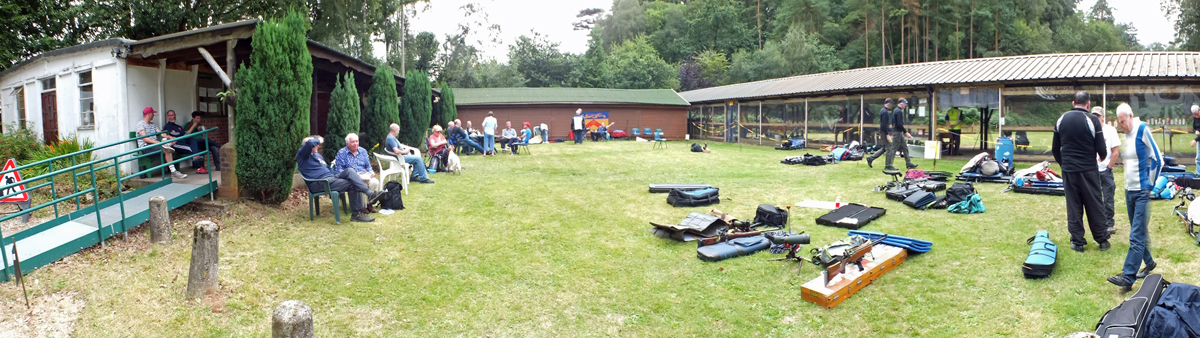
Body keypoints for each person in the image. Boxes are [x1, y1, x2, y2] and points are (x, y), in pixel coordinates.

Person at [1108, 102, 1162, 292]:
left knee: (1136, 235)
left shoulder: (1142, 130)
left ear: (1130, 116)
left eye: (1124, 121)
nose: (1123, 126)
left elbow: (1158, 159)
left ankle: (1128, 277)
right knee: (1138, 230)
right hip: (1128, 191)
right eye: (1120, 123)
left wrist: (1151, 185)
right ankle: (1149, 263)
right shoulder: (1127, 134)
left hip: (1142, 193)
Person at [1052, 91, 1110, 252]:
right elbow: (1101, 149)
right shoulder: (1092, 120)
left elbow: (1055, 149)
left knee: (1073, 205)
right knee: (1094, 204)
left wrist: (1064, 163)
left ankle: (1077, 242)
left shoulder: (1061, 119)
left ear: (1073, 103)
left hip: (1069, 170)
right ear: (1088, 104)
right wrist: (1102, 157)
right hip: (1088, 169)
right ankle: (1102, 240)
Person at [296, 135, 378, 223]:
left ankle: (368, 196)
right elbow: (310, 143)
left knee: (350, 171)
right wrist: (319, 139)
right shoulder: (302, 156)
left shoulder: (317, 156)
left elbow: (328, 169)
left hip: (330, 178)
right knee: (352, 184)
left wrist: (339, 174)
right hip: (320, 183)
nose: (317, 146)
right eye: (316, 145)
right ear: (307, 147)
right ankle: (357, 214)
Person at [134, 106, 187, 179]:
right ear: (148, 114)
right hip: (146, 147)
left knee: (167, 147)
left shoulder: (153, 124)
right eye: (152, 113)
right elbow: (146, 139)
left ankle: (173, 170)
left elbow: (162, 133)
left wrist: (170, 137)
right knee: (166, 148)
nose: (153, 115)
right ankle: (173, 171)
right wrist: (159, 142)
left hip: (156, 146)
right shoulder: (140, 124)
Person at [1092, 107, 1120, 236]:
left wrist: (1109, 168)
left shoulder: (1110, 130)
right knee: (1094, 198)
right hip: (1092, 169)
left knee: (1108, 198)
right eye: (1094, 116)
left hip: (1106, 169)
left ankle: (1109, 223)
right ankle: (1098, 223)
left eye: (1098, 116)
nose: (1096, 118)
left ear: (1103, 116)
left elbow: (1115, 152)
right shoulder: (1088, 130)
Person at [885, 99, 917, 171]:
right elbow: (899, 124)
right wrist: (906, 132)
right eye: (905, 104)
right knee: (894, 148)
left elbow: (893, 122)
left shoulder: (896, 110)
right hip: (897, 132)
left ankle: (908, 163)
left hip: (898, 131)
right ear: (901, 103)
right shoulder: (898, 111)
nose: (905, 105)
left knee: (905, 147)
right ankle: (888, 165)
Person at [865, 98, 893, 168]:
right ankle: (888, 165)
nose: (892, 105)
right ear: (888, 104)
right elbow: (884, 125)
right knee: (888, 149)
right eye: (891, 104)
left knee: (884, 148)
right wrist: (887, 134)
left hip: (883, 131)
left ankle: (870, 158)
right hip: (884, 132)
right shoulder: (885, 112)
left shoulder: (883, 110)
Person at [1189, 104, 1200, 174]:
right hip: (1199, 139)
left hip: (1198, 139)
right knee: (1198, 158)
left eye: (1197, 114)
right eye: (1195, 114)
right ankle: (1198, 174)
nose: (1197, 116)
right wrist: (1195, 130)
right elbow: (1194, 127)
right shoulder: (1195, 118)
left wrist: (1195, 140)